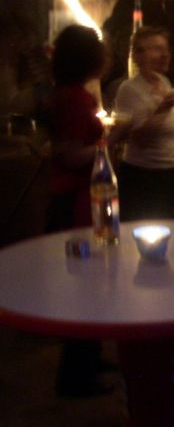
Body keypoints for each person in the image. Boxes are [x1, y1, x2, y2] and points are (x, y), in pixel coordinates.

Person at [47, 24, 122, 397]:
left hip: (72, 197)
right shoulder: (75, 99)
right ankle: (76, 376)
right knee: (85, 284)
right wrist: (111, 142)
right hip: (76, 200)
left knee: (87, 281)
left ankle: (89, 359)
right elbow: (70, 155)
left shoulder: (67, 93)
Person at [114, 26, 174, 220]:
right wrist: (164, 107)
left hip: (173, 170)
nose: (165, 54)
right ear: (137, 56)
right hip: (142, 175)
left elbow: (169, 126)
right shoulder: (129, 89)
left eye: (166, 49)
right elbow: (137, 137)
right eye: (157, 49)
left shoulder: (165, 82)